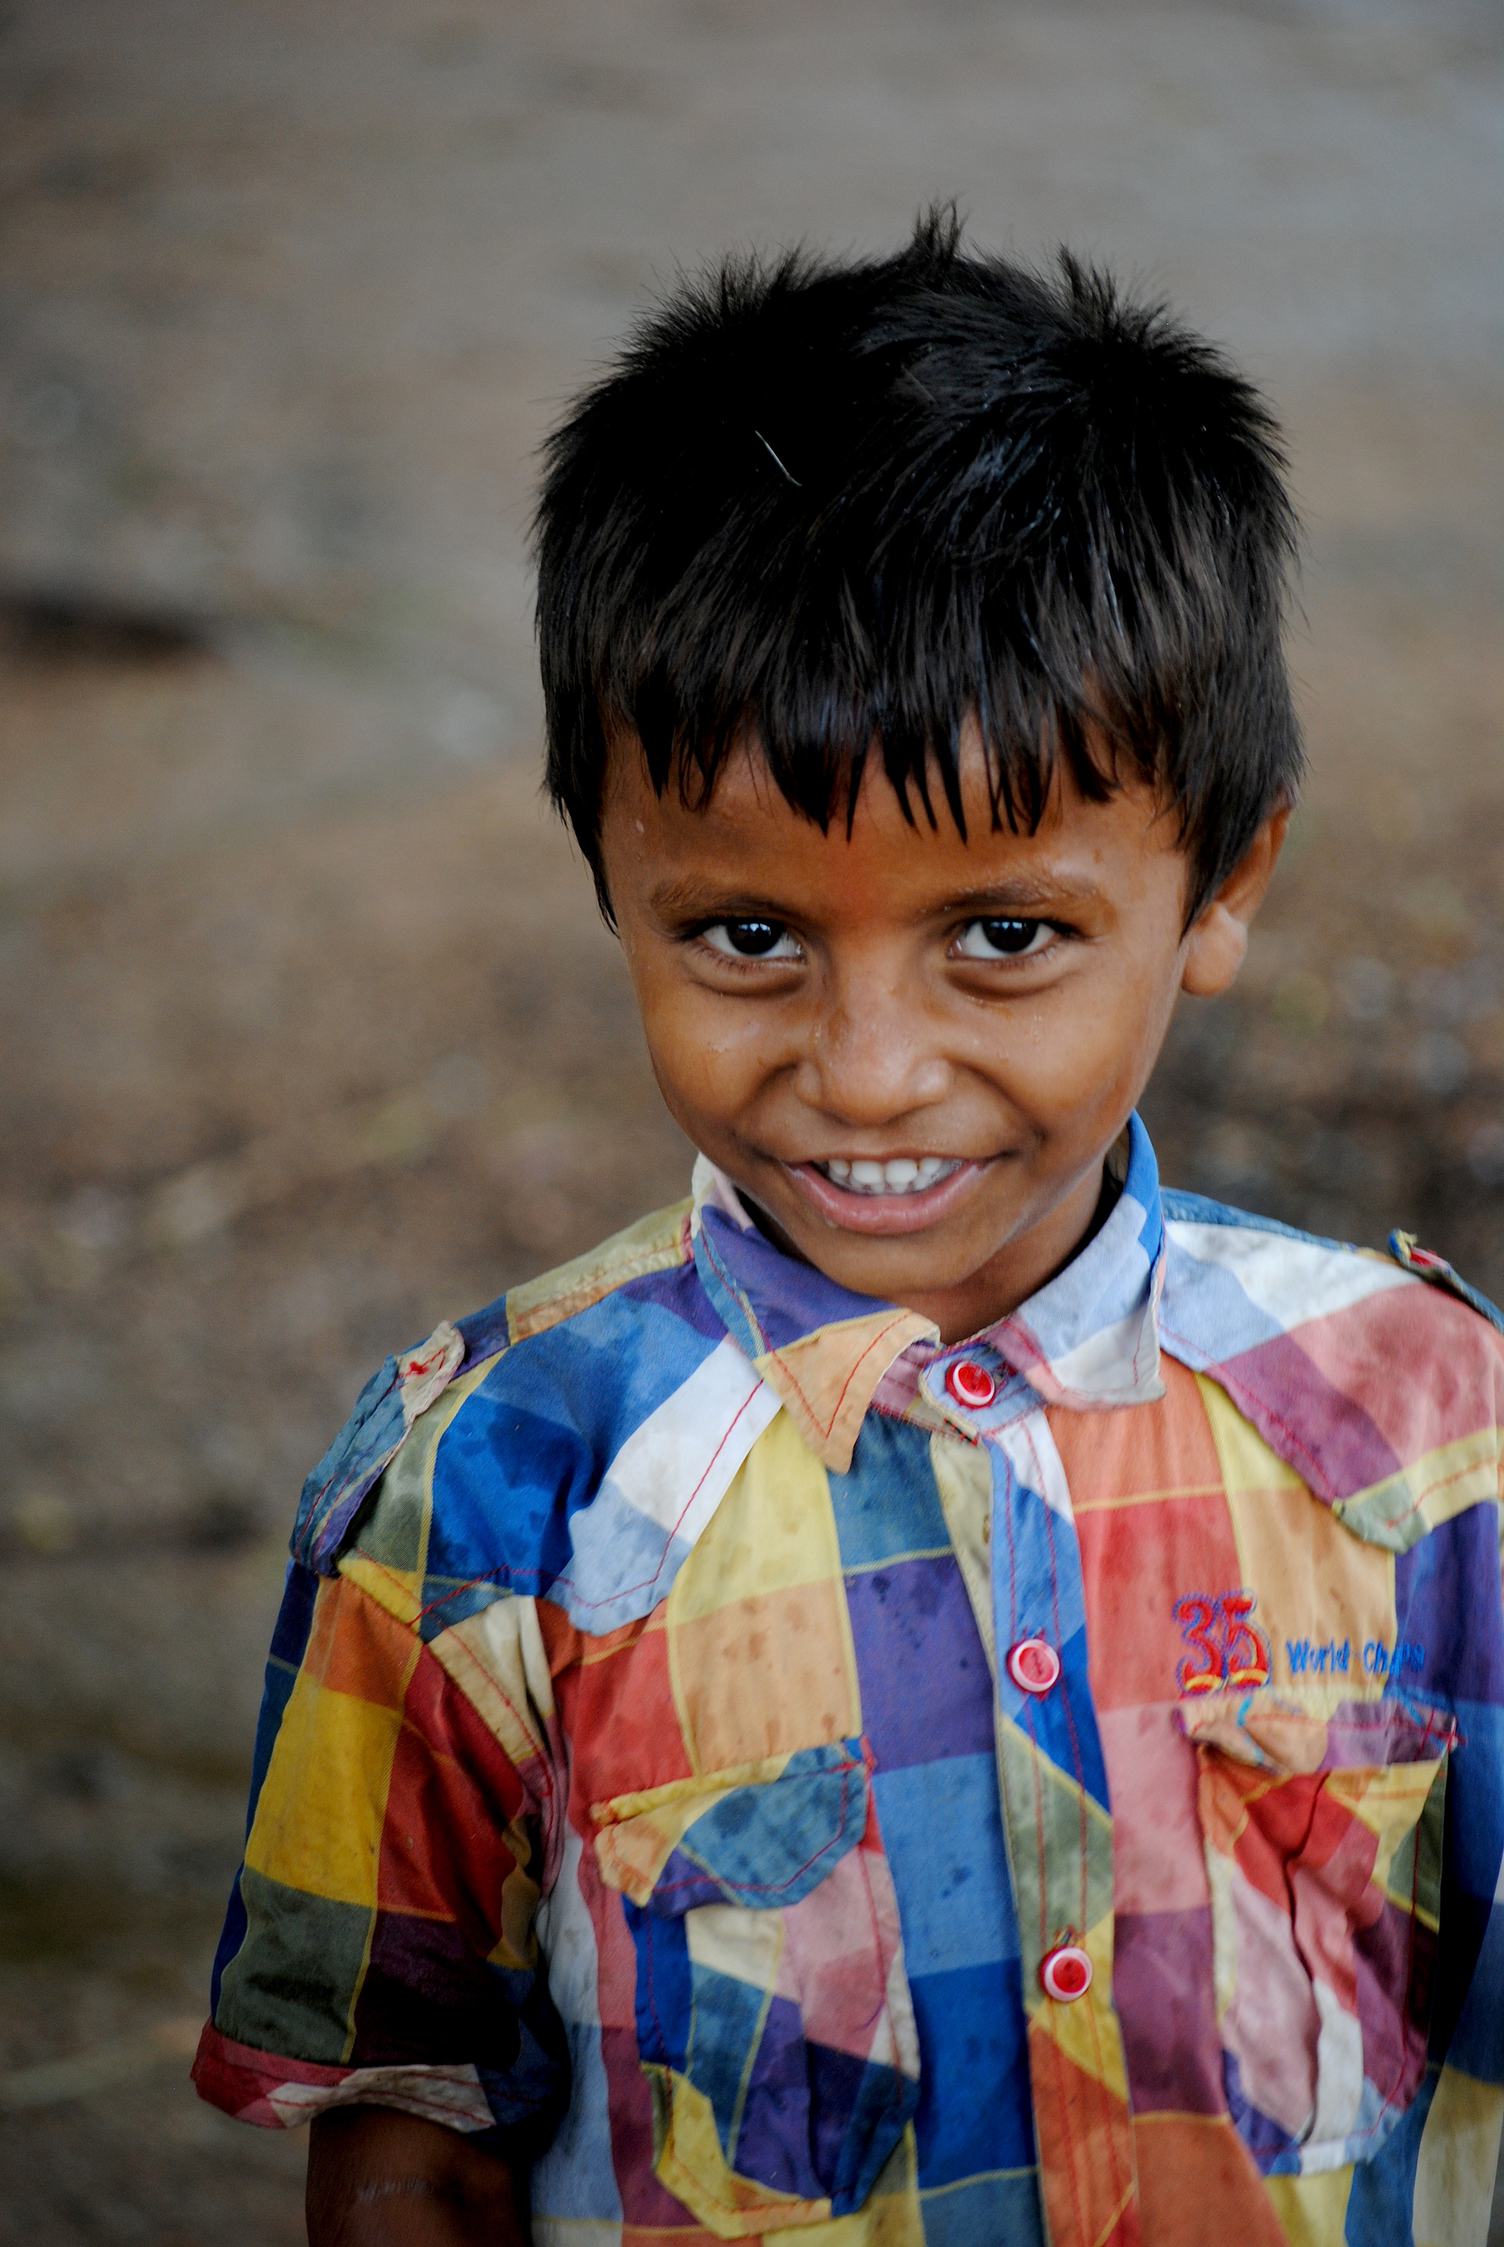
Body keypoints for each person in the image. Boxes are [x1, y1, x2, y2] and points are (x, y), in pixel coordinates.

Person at [192, 209, 1504, 2247]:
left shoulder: (1437, 1442)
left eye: (1002, 935)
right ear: (608, 874)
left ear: (1221, 884)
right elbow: (407, 2118)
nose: (869, 1068)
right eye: (745, 933)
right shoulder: (481, 1493)